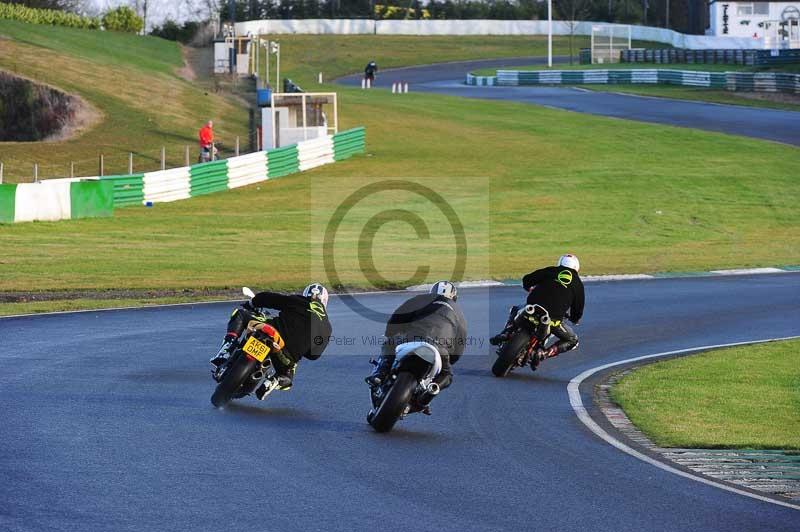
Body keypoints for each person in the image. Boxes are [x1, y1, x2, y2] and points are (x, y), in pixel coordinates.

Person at [366, 281, 467, 414]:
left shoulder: (421, 300)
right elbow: (460, 345)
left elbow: (399, 315)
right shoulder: (459, 314)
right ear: (454, 298)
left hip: (414, 338)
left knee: (389, 343)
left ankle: (381, 372)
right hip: (440, 350)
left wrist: (390, 333)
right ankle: (429, 393)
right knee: (447, 375)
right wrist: (450, 360)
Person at [211, 283, 332, 391]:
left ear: (306, 294)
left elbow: (268, 298)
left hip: (274, 332)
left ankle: (227, 347)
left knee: (240, 314)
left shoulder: (299, 301)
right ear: (325, 301)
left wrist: (251, 303)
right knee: (288, 374)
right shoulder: (327, 326)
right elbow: (313, 356)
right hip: (286, 357)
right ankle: (278, 379)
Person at [490, 254, 584, 362]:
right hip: (553, 320)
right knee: (573, 340)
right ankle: (544, 353)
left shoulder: (550, 270)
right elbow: (578, 308)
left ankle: (506, 332)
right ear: (577, 268)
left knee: (515, 309)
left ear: (560, 263)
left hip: (532, 307)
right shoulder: (578, 285)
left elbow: (527, 279)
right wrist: (575, 319)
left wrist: (528, 287)